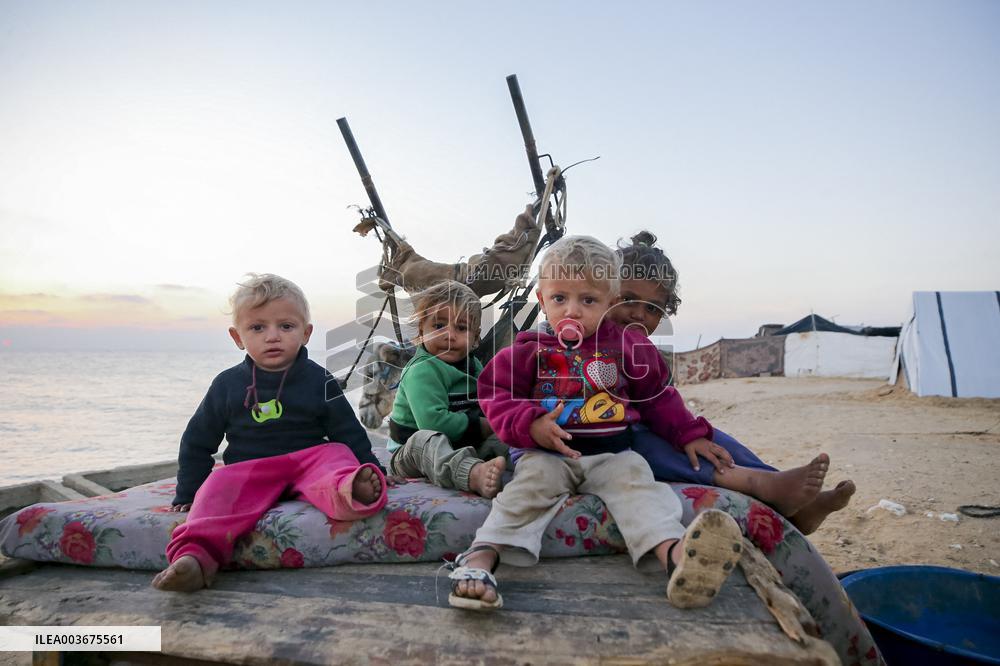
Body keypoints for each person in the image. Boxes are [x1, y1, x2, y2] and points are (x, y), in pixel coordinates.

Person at [448, 236, 743, 611]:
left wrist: (688, 433)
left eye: (588, 300)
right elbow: (496, 392)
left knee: (641, 490)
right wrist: (531, 423)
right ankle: (479, 560)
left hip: (612, 454)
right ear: (542, 300)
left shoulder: (628, 348)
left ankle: (677, 557)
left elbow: (658, 396)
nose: (573, 310)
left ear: (610, 302)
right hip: (546, 455)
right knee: (523, 495)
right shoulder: (529, 348)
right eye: (560, 298)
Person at [152, 273, 387, 592]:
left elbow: (346, 429)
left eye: (286, 326)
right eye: (258, 327)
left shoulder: (320, 379)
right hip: (251, 469)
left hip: (310, 463)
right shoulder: (227, 385)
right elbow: (197, 440)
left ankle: (349, 489)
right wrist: (189, 490)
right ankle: (194, 558)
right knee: (218, 484)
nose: (272, 336)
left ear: (305, 333)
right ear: (238, 337)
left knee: (337, 455)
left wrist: (371, 464)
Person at [612, 231, 856, 534]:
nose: (638, 313)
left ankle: (791, 497)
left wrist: (690, 433)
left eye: (652, 308)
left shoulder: (642, 353)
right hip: (612, 440)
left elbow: (659, 399)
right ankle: (758, 483)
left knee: (712, 439)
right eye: (628, 300)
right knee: (650, 445)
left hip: (651, 422)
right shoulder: (580, 339)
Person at [387, 280, 507, 498]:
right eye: (439, 325)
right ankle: (472, 474)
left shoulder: (473, 365)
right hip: (410, 452)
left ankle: (525, 468)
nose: (449, 335)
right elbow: (433, 423)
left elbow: (490, 399)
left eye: (461, 328)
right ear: (422, 328)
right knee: (426, 442)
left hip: (459, 442)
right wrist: (483, 426)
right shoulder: (422, 370)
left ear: (476, 337)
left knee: (506, 437)